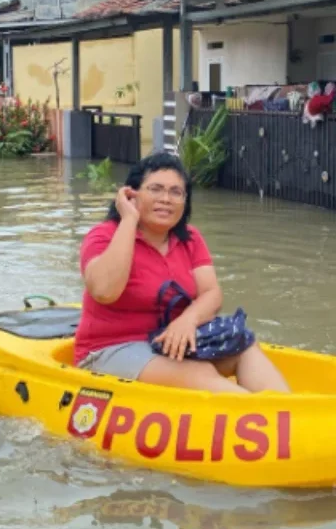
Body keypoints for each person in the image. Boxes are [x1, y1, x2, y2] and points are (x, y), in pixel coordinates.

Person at [76, 153, 291, 394]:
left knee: (244, 347)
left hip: (174, 344)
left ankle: (289, 415)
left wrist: (188, 319)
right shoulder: (104, 235)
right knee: (200, 373)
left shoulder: (190, 239)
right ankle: (262, 420)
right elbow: (104, 291)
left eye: (176, 192)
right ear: (131, 195)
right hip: (110, 348)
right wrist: (128, 219)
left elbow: (211, 293)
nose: (166, 199)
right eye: (155, 189)